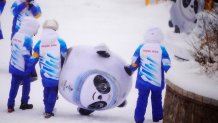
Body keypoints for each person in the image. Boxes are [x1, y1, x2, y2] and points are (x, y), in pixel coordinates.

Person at [124, 27, 171, 123]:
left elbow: (135, 61)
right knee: (157, 99)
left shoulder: (141, 47)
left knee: (141, 99)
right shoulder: (162, 48)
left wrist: (131, 68)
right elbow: (166, 63)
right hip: (157, 81)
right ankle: (157, 117)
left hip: (143, 80)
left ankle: (138, 118)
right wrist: (169, 73)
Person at [29, 20, 67, 118]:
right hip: (57, 73)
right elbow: (66, 57)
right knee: (53, 91)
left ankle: (46, 106)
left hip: (44, 72)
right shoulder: (60, 42)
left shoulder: (39, 43)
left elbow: (33, 58)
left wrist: (28, 67)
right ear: (55, 29)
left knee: (46, 89)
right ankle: (48, 111)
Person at [7, 17, 40, 113]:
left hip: (14, 65)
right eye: (35, 31)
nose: (35, 33)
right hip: (24, 68)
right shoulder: (28, 39)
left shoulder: (16, 35)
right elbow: (27, 56)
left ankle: (10, 105)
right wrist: (35, 58)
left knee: (13, 86)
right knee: (26, 85)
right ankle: (24, 103)